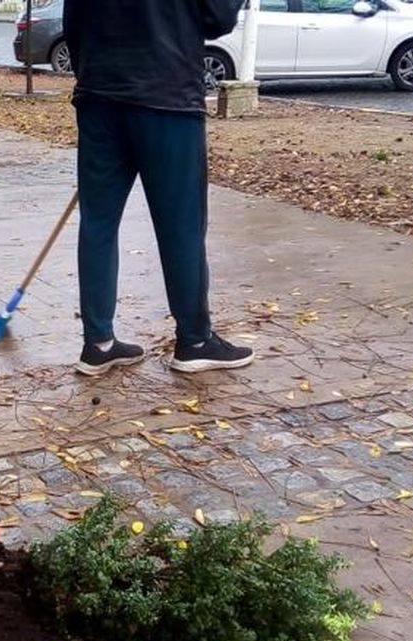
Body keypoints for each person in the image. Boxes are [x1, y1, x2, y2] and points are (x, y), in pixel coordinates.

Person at [63, 0, 254, 376]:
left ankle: (99, 342)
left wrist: (98, 77)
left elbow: (73, 26)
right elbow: (218, 19)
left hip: (100, 98)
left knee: (98, 223)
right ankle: (195, 341)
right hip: (167, 98)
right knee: (181, 227)